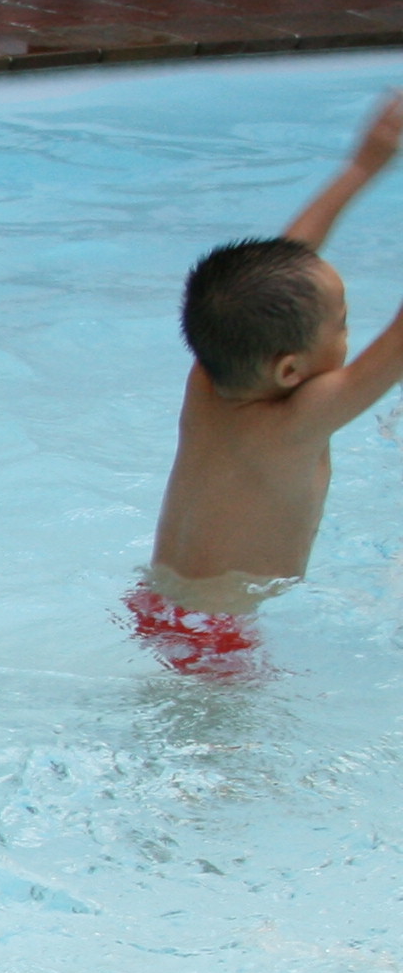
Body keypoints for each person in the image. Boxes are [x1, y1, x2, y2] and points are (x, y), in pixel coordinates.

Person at [138, 88, 403, 672]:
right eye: (342, 323)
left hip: (157, 602)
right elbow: (397, 347)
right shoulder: (297, 418)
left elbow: (281, 263)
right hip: (220, 635)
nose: (348, 332)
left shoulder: (208, 373)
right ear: (290, 370)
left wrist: (361, 168)